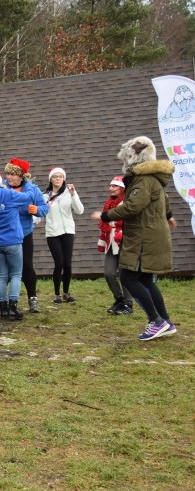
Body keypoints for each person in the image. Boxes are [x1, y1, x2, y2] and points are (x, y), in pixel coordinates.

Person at [92, 136, 178, 341]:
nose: (123, 163)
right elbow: (164, 200)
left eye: (125, 159)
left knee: (129, 277)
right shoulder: (153, 178)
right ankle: (165, 321)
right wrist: (168, 216)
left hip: (144, 235)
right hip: (151, 233)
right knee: (146, 279)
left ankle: (156, 321)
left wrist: (105, 216)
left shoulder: (143, 179)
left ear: (134, 159)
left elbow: (133, 206)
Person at [0, 171, 34, 320]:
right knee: (16, 274)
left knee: (2, 276)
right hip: (12, 241)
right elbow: (28, 197)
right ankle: (12, 307)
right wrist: (27, 184)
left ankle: (3, 308)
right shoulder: (8, 194)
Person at [3, 158, 49, 313]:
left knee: (27, 266)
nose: (9, 177)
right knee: (5, 269)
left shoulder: (32, 189)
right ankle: (4, 302)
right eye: (8, 174)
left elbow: (44, 208)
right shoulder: (1, 187)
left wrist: (37, 210)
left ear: (22, 176)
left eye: (13, 175)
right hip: (6, 233)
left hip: (24, 233)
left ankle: (32, 299)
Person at [43, 167, 84, 303]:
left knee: (67, 264)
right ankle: (57, 295)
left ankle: (66, 292)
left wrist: (73, 194)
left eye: (60, 177)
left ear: (64, 179)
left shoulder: (69, 192)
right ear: (51, 179)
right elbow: (40, 214)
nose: (58, 179)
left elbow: (80, 211)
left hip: (68, 231)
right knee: (59, 263)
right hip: (53, 232)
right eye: (55, 177)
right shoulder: (45, 196)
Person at [97, 176, 133, 315]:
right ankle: (119, 300)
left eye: (114, 186)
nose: (110, 189)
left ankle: (128, 305)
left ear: (122, 188)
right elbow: (106, 223)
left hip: (124, 241)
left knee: (125, 274)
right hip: (111, 242)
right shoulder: (109, 203)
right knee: (109, 273)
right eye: (110, 186)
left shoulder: (127, 202)